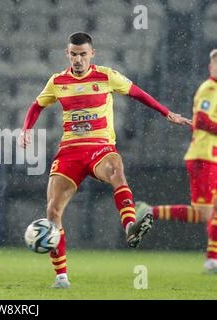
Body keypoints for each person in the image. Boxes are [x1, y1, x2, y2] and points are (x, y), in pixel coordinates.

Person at [18, 32, 191, 289]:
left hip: (99, 147)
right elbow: (36, 106)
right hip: (70, 152)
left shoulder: (107, 76)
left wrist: (167, 114)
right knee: (53, 210)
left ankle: (130, 225)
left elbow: (138, 93)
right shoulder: (57, 81)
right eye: (74, 54)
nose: (78, 59)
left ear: (92, 54)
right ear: (68, 54)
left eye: (83, 54)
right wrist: (27, 129)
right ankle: (61, 278)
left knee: (116, 170)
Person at [136, 49, 217, 274]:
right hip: (203, 157)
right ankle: (150, 211)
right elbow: (201, 121)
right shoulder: (209, 89)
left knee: (214, 212)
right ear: (211, 67)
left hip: (212, 157)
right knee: (203, 214)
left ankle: (212, 260)